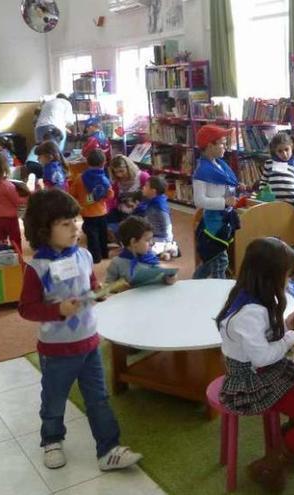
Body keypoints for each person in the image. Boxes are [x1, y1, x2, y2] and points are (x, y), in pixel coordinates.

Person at [18, 189, 142, 472]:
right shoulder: (36, 268)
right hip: (57, 350)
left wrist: (100, 293)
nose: (76, 227)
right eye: (65, 223)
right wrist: (57, 310)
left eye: (77, 220)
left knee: (98, 397)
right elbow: (26, 308)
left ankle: (108, 449)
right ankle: (51, 440)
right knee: (54, 398)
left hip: (89, 342)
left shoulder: (85, 256)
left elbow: (91, 286)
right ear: (42, 229)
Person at [217, 237, 294, 492]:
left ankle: (286, 441)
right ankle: (271, 464)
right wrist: (292, 337)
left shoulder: (256, 294)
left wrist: (286, 326)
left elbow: (263, 338)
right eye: (287, 276)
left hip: (268, 366)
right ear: (270, 276)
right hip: (252, 378)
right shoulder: (250, 312)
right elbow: (261, 357)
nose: (289, 282)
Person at [192, 124, 239, 279]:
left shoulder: (220, 165)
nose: (225, 147)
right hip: (213, 223)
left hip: (224, 219)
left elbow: (225, 185)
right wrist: (224, 202)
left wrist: (236, 190)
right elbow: (199, 200)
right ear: (209, 145)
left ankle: (195, 283)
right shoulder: (202, 171)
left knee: (209, 260)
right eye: (221, 143)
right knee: (220, 261)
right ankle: (220, 291)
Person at [105, 216, 177, 287]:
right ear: (133, 242)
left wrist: (169, 279)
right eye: (148, 240)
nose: (152, 243)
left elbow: (161, 276)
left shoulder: (150, 257)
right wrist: (120, 288)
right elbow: (108, 286)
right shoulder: (117, 263)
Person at [70, 149, 114, 264]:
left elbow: (72, 193)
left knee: (92, 235)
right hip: (101, 211)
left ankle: (95, 257)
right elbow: (110, 194)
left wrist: (83, 200)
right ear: (103, 163)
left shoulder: (80, 178)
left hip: (87, 212)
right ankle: (104, 253)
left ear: (87, 163)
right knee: (103, 233)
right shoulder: (104, 179)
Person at [0, 152, 28, 249]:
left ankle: (4, 259)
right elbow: (17, 201)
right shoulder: (7, 185)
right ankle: (18, 260)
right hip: (10, 218)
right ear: (4, 167)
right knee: (15, 240)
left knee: (1, 239)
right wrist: (29, 196)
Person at [258, 132, 294, 217]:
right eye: (280, 151)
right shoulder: (269, 164)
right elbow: (263, 181)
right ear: (275, 151)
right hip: (275, 203)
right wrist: (263, 192)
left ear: (291, 147)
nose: (284, 154)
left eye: (286, 149)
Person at [134, 176, 176, 260]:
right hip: (153, 235)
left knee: (142, 256)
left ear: (153, 191)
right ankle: (165, 250)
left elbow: (167, 225)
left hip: (160, 238)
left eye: (146, 186)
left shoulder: (158, 206)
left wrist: (166, 240)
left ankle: (167, 248)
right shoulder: (151, 201)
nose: (143, 187)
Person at [106, 155, 149, 232]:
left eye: (121, 171)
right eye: (115, 172)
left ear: (129, 168)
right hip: (121, 212)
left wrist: (138, 207)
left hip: (139, 212)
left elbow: (150, 196)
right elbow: (111, 198)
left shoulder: (142, 177)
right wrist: (109, 209)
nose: (119, 175)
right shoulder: (116, 181)